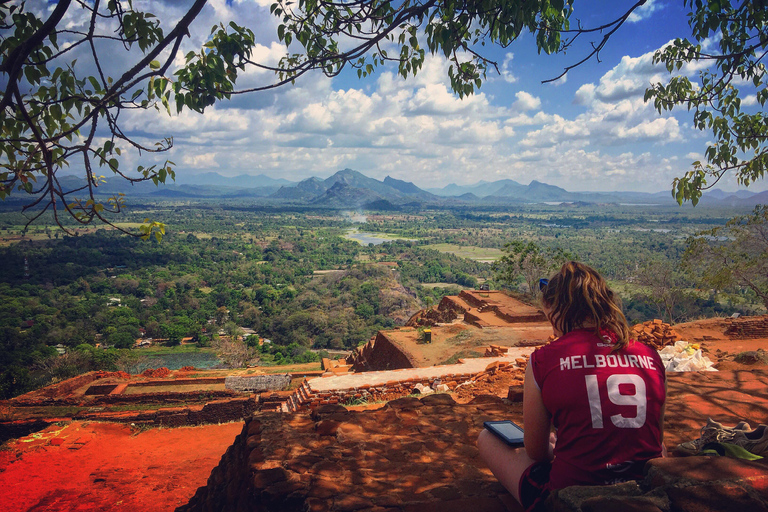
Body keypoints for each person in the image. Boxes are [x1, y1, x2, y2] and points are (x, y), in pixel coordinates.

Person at [477, 261, 666, 511]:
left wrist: (554, 449)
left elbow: (535, 451)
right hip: (641, 486)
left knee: (488, 438)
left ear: (555, 310)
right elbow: (657, 437)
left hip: (571, 495)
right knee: (660, 447)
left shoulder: (544, 360)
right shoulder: (649, 356)